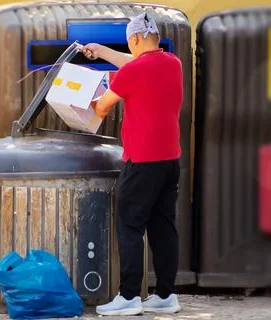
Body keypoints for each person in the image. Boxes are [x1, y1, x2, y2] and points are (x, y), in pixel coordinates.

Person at [80, 13, 183, 316]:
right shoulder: (172, 64)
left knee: (129, 225)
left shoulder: (134, 72)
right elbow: (136, 64)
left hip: (142, 162)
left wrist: (84, 98)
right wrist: (102, 52)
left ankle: (128, 297)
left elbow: (101, 107)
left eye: (129, 43)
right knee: (163, 227)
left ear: (135, 39)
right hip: (169, 161)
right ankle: (166, 295)